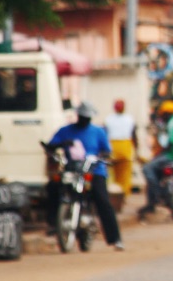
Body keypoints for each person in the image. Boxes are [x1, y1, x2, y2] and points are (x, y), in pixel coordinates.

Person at [47, 103, 124, 250]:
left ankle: (115, 239)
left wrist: (100, 157)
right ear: (78, 116)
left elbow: (106, 151)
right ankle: (54, 224)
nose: (84, 120)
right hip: (72, 170)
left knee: (103, 201)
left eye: (87, 118)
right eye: (82, 117)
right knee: (53, 188)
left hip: (94, 171)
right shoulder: (65, 131)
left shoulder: (98, 132)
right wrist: (62, 144)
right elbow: (51, 145)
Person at [138, 99, 173, 218]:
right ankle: (155, 200)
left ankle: (157, 195)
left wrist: (159, 153)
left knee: (148, 168)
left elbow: (171, 143)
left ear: (167, 113)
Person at [104, 99, 137, 198]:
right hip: (125, 147)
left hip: (112, 147)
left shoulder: (108, 119)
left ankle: (110, 194)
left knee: (110, 173)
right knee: (125, 174)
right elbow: (134, 135)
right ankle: (124, 196)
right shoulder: (130, 119)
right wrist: (136, 149)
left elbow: (105, 133)